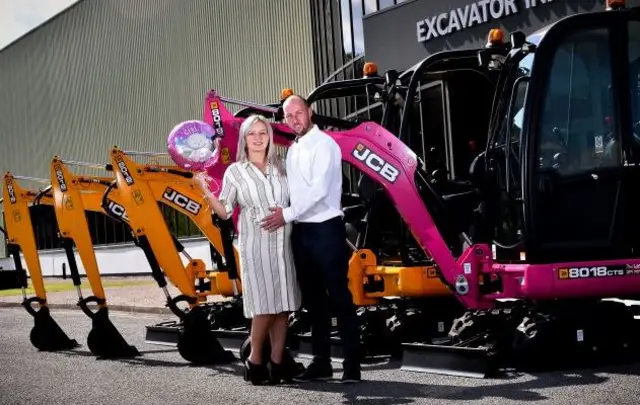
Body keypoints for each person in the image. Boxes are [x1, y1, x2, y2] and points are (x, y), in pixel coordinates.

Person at [196, 114, 303, 385]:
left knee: (282, 307)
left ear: (269, 136)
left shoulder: (282, 166)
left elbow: (296, 201)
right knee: (265, 306)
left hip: (282, 244)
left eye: (263, 133)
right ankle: (255, 361)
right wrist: (205, 191)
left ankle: (277, 363)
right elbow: (225, 210)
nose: (258, 138)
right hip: (256, 246)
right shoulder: (236, 171)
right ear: (244, 139)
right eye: (252, 133)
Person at [261, 95, 362, 383]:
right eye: (288, 116)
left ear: (310, 112)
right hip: (302, 232)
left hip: (326, 229)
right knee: (314, 301)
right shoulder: (293, 150)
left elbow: (317, 191)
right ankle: (322, 362)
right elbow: (292, 191)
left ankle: (352, 364)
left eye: (298, 113)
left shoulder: (325, 145)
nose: (293, 119)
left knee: (339, 297)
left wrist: (287, 214)